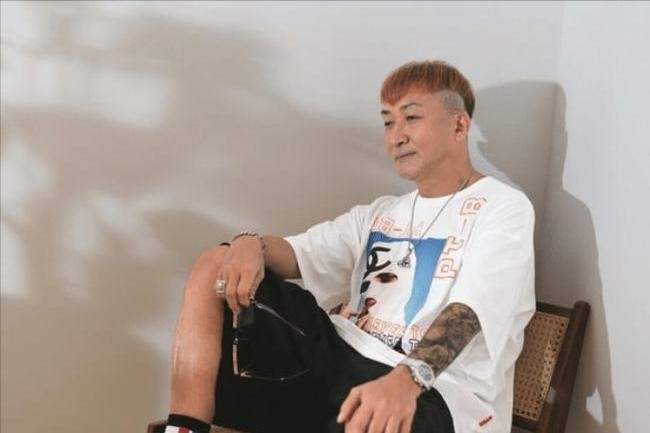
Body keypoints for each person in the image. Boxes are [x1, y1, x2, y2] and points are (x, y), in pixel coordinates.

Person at [163, 60, 535, 433]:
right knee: (215, 262)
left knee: (371, 416)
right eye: (388, 122)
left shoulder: (503, 208)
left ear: (459, 125)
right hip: (339, 361)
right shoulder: (381, 212)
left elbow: (468, 313)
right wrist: (250, 243)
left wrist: (405, 381)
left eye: (411, 118)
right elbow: (295, 256)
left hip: (437, 393)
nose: (396, 136)